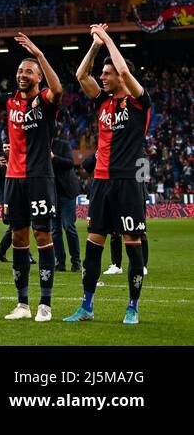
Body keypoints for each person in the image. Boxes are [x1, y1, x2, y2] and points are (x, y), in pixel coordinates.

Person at [0, 32, 63, 321]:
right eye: (20, 70)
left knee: (43, 236)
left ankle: (45, 304)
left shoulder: (46, 100)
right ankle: (23, 304)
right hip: (14, 179)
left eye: (28, 71)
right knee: (19, 240)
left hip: (40, 178)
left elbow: (58, 89)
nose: (22, 75)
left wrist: (39, 54)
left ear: (39, 77)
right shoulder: (8, 102)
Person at [64, 24, 152, 325]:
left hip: (128, 181)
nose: (103, 77)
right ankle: (86, 306)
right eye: (103, 73)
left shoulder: (140, 101)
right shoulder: (103, 101)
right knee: (94, 246)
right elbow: (80, 76)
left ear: (121, 74)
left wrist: (108, 39)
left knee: (132, 246)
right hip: (100, 182)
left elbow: (127, 75)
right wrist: (95, 46)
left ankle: (132, 306)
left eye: (108, 73)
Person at [51, 125, 82, 272]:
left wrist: (54, 158)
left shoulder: (63, 145)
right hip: (51, 194)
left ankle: (76, 262)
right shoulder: (37, 147)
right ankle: (60, 263)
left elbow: (70, 163)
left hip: (67, 192)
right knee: (55, 230)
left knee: (68, 226)